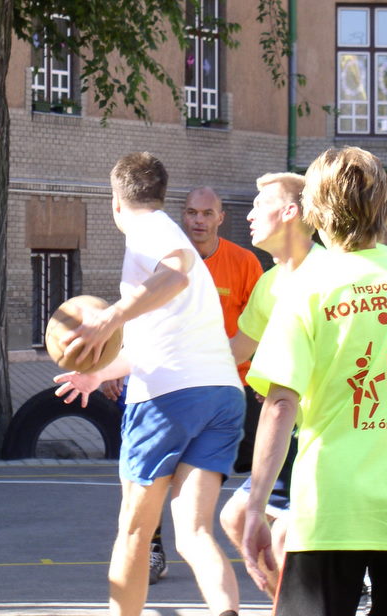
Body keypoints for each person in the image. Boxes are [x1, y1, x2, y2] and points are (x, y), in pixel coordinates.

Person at [242, 146, 387, 616]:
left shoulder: (306, 290)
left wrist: (255, 506)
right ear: (384, 205)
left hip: (329, 507)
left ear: (314, 209)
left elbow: (280, 405)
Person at [54, 151, 245, 616]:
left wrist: (108, 319)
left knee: (135, 532)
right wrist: (99, 374)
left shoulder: (149, 231)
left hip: (168, 399)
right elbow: (150, 344)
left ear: (116, 203)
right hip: (222, 395)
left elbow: (174, 274)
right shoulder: (167, 236)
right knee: (193, 533)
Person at [219, 171, 320, 598]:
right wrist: (148, 366)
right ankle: (291, 603)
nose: (250, 215)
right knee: (235, 517)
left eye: (260, 205)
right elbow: (235, 350)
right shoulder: (270, 282)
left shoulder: (329, 274)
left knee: (282, 537)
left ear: (291, 211)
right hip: (287, 430)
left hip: (322, 431)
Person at [182, 186, 263, 472]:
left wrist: (267, 377)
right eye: (192, 212)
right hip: (183, 383)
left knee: (250, 464)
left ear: (221, 218)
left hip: (237, 383)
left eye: (207, 213)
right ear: (183, 215)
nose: (199, 220)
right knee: (193, 467)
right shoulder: (168, 260)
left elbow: (266, 325)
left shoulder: (244, 262)